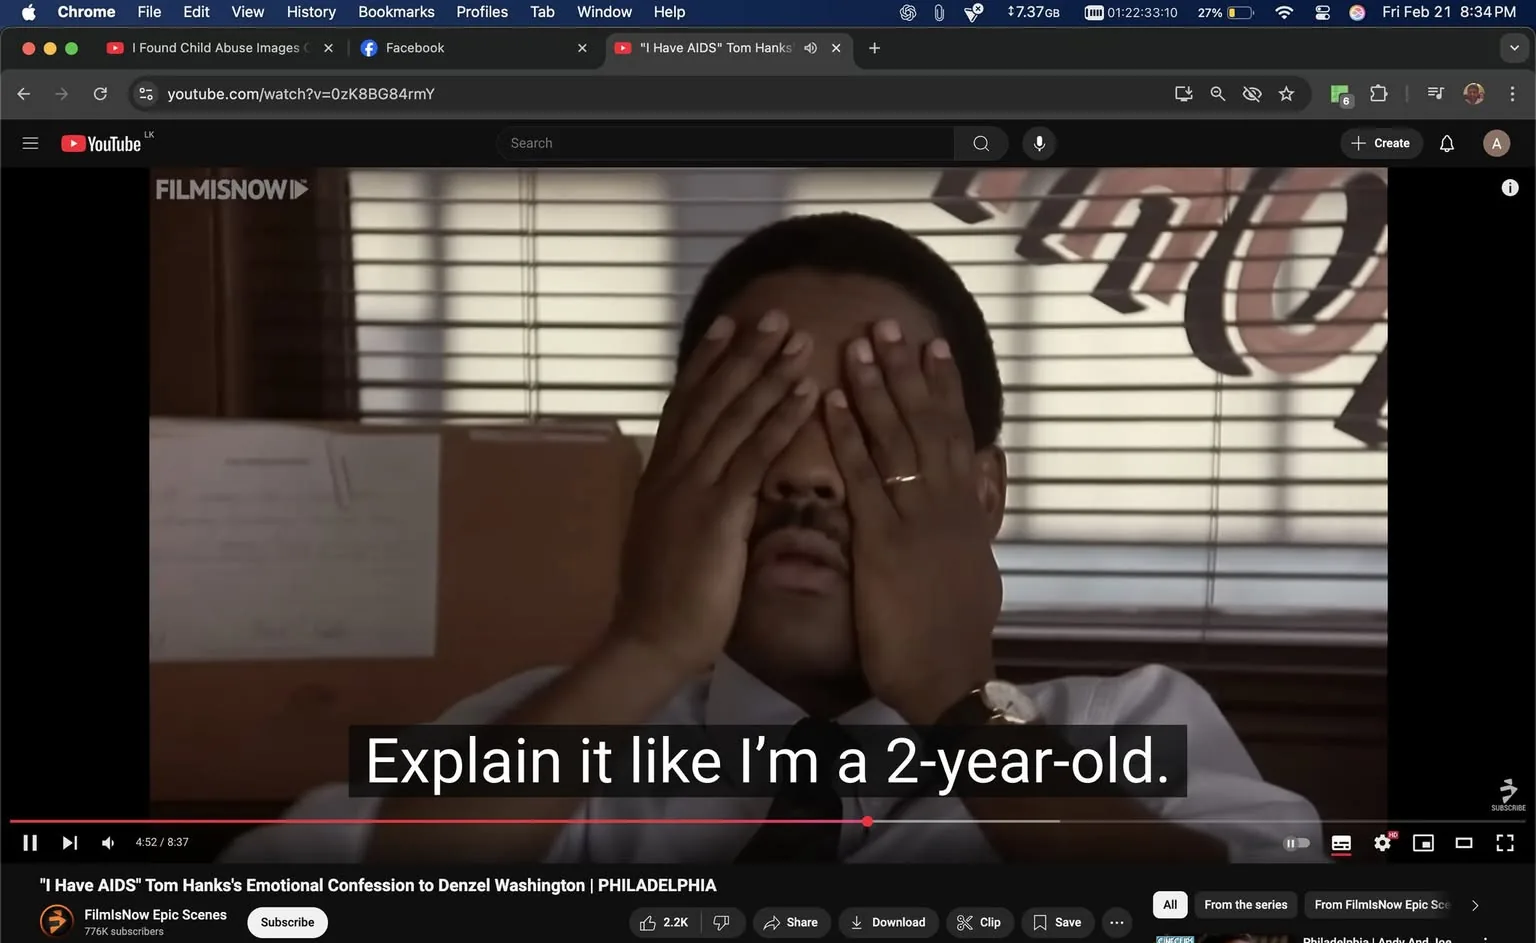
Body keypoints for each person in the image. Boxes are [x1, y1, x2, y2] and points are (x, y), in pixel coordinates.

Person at [222, 212, 1322, 865]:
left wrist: (956, 698)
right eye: (758, 424)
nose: (802, 476)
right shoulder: (561, 743)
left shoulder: (1129, 728)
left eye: (869, 430)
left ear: (983, 497)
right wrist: (646, 646)